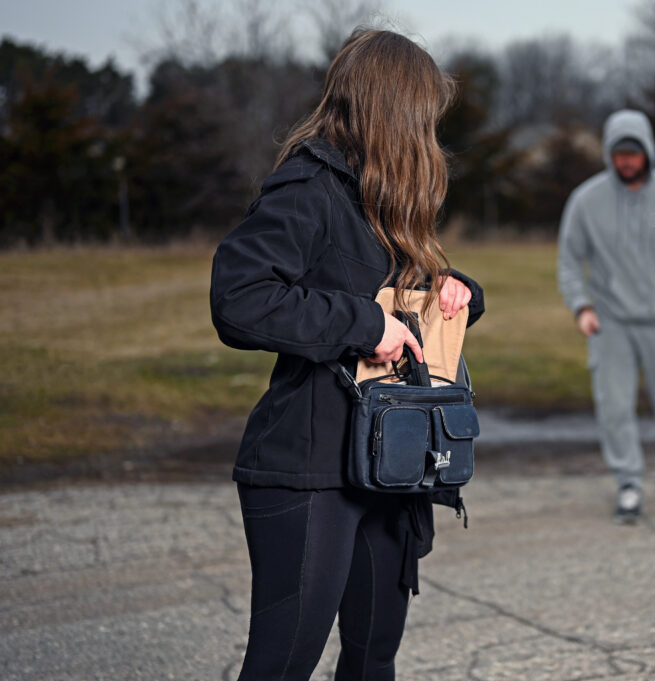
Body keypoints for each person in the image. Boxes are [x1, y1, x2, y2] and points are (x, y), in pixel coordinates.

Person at [209, 29, 484, 681]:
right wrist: (366, 325)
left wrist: (458, 288)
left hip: (390, 466)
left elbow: (386, 283)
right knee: (282, 665)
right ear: (391, 108)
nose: (429, 131)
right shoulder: (308, 184)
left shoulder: (383, 196)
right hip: (307, 469)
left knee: (372, 658)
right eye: (422, 114)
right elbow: (240, 296)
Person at [557, 109, 655, 524]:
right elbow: (569, 261)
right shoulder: (586, 201)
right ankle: (628, 482)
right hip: (611, 324)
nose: (626, 161)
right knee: (615, 407)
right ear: (608, 153)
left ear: (648, 152)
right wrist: (582, 306)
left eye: (633, 153)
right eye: (619, 153)